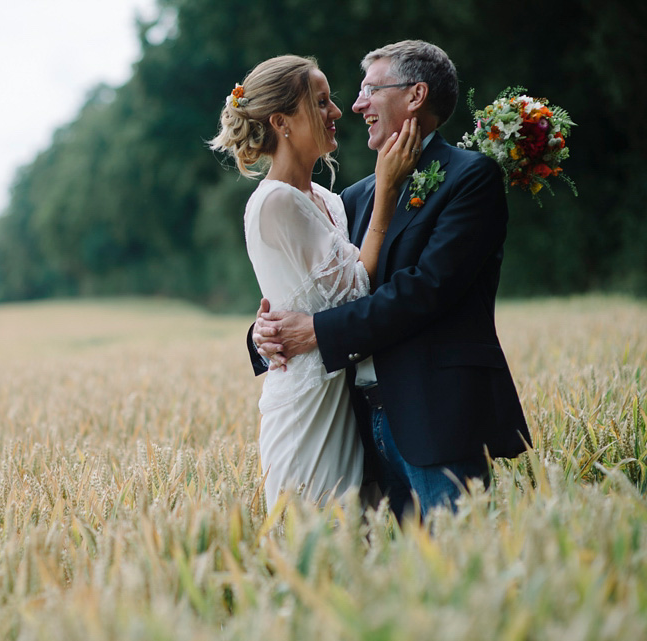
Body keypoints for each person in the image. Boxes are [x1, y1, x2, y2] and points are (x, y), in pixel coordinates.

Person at [251, 41, 532, 520]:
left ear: (416, 95)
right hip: (358, 425)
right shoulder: (356, 196)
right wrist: (264, 334)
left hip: (437, 417)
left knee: (458, 565)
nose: (355, 105)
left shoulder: (471, 179)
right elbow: (319, 288)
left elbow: (425, 292)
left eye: (368, 90)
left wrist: (315, 332)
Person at [210, 55, 421, 510]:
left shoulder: (326, 198)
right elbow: (356, 290)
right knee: (318, 542)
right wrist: (385, 194)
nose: (337, 112)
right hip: (308, 407)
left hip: (345, 398)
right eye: (321, 102)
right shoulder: (274, 203)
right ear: (282, 122)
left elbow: (307, 293)